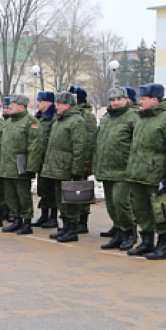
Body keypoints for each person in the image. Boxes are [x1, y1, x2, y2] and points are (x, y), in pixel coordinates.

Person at [125, 83, 166, 260]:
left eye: (143, 99)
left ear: (154, 99)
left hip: (157, 174)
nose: (140, 102)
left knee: (161, 211)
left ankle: (162, 245)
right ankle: (146, 242)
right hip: (138, 173)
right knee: (141, 210)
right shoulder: (140, 118)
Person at [93, 87, 139, 250]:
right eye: (112, 100)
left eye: (119, 99)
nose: (116, 103)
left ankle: (130, 232)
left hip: (124, 170)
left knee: (121, 203)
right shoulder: (107, 118)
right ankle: (119, 232)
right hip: (107, 169)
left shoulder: (133, 118)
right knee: (112, 205)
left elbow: (138, 145)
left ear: (127, 100)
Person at [41, 92, 87, 243]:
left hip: (67, 169)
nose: (56, 107)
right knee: (61, 201)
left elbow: (79, 148)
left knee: (70, 201)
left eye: (59, 104)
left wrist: (76, 170)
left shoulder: (76, 121)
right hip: (56, 167)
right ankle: (65, 227)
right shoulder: (59, 120)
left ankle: (72, 229)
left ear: (67, 105)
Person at [0, 95, 43, 235]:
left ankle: (26, 221)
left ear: (22, 106)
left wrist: (31, 167)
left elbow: (35, 146)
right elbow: (2, 145)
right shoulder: (9, 121)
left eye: (13, 104)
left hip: (20, 166)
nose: (9, 106)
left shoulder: (31, 122)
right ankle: (16, 219)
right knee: (10, 195)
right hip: (7, 166)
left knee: (23, 195)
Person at [70, 85, 97, 234]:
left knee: (82, 190)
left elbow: (90, 141)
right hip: (73, 159)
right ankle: (73, 221)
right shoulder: (73, 115)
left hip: (83, 161)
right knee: (73, 191)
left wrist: (86, 163)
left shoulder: (86, 117)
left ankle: (82, 221)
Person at [31, 91, 59, 229]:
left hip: (50, 159)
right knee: (42, 188)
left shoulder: (53, 118)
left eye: (40, 101)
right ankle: (44, 215)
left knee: (51, 189)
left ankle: (53, 217)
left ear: (48, 102)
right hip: (40, 158)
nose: (38, 103)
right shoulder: (38, 118)